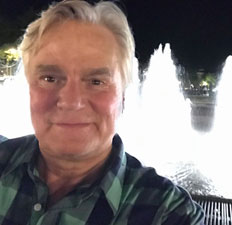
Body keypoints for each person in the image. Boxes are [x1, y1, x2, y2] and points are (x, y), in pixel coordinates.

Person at [0, 0, 205, 224]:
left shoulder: (169, 214)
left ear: (123, 97)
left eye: (97, 81)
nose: (72, 102)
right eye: (50, 78)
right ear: (29, 87)